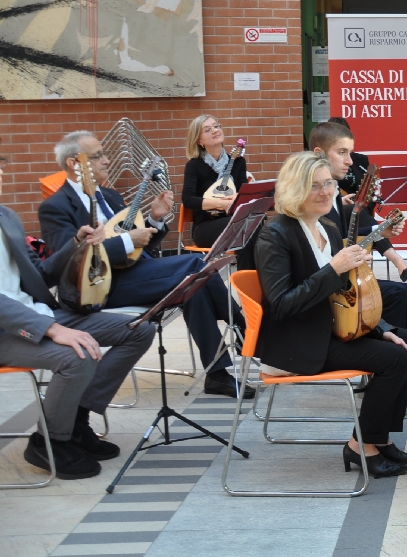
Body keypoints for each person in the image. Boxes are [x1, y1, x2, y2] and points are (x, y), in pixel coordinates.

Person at [38, 131, 252, 399]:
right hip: (102, 286)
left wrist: (154, 220)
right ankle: (242, 324)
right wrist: (128, 240)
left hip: (139, 271)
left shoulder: (110, 195)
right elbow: (70, 261)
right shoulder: (55, 207)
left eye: (105, 154)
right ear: (74, 163)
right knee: (196, 264)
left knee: (192, 285)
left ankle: (217, 374)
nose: (107, 161)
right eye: (99, 156)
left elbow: (142, 244)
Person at [254, 152, 407, 478]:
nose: (324, 192)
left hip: (327, 329)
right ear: (293, 189)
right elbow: (283, 304)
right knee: (392, 359)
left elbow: (344, 295)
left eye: (328, 184)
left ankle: (380, 439)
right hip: (297, 341)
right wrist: (334, 267)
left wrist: (382, 327)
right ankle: (361, 446)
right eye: (313, 186)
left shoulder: (329, 228)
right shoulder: (275, 234)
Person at [0, 157, 155, 478]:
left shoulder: (7, 217)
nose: (3, 172)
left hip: (40, 312)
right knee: (77, 356)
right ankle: (48, 442)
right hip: (8, 331)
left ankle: (74, 418)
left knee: (139, 329)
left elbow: (41, 275)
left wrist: (76, 246)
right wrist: (52, 329)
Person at [309, 121, 407, 332]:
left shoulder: (332, 190)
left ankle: (396, 341)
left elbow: (342, 236)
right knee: (399, 295)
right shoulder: (315, 197)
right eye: (342, 152)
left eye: (350, 152)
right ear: (319, 153)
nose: (349, 161)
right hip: (329, 287)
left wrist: (379, 230)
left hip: (339, 277)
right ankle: (390, 341)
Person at [181, 115, 250, 249]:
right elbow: (188, 199)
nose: (214, 130)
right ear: (199, 141)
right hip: (205, 227)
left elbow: (244, 193)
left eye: (216, 126)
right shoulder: (194, 165)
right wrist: (221, 204)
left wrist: (239, 197)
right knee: (244, 225)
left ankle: (249, 270)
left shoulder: (238, 162)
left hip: (235, 221)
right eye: (207, 130)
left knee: (253, 224)